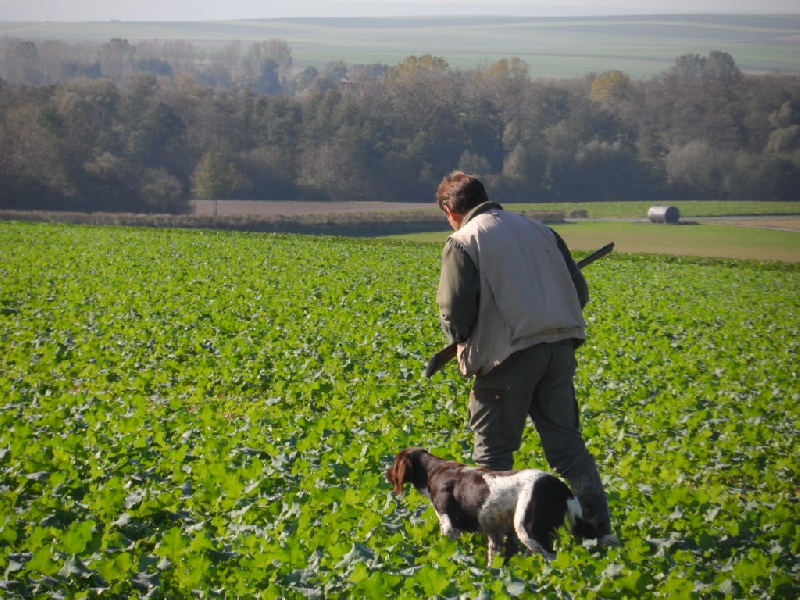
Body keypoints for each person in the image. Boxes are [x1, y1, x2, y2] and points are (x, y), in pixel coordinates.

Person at [435, 170, 618, 545]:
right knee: (570, 450)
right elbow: (578, 293)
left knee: (494, 455)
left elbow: (455, 314)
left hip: (507, 360)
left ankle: (502, 550)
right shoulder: (542, 231)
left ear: (450, 210)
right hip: (559, 352)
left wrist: (463, 339)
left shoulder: (464, 241)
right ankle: (600, 533)